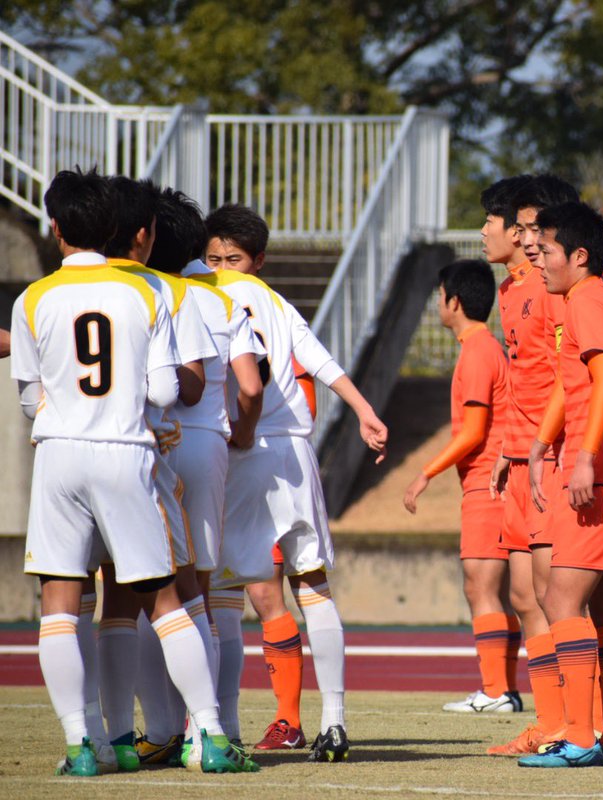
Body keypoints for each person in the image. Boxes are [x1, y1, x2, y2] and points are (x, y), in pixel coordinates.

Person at [10, 168, 254, 775]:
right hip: (126, 451)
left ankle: (82, 746)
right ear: (126, 231)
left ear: (56, 227)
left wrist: (69, 415)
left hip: (58, 456)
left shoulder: (33, 297)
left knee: (61, 605)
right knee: (167, 599)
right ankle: (214, 738)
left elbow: (25, 395)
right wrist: (136, 415)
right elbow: (171, 387)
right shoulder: (148, 293)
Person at [203, 203, 388, 762]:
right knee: (311, 588)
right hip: (293, 454)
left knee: (227, 595)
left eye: (232, 258)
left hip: (247, 448)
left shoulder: (199, 293)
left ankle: (227, 729)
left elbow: (252, 382)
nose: (221, 266)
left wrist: (242, 431)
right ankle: (330, 721)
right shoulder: (278, 303)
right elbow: (322, 363)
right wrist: (363, 409)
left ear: (257, 259)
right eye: (214, 256)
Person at [518, 201, 603, 768]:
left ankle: (579, 739)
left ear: (579, 255)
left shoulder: (587, 303)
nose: (538, 260)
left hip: (602, 476)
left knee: (560, 598)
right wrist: (541, 443)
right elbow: (596, 383)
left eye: (546, 250)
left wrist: (586, 458)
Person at [132, 185, 266, 762]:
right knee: (202, 596)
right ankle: (211, 730)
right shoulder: (219, 297)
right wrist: (241, 430)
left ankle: (156, 729)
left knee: (139, 593)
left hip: (145, 441)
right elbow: (252, 384)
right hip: (207, 442)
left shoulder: (136, 291)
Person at [100, 175, 223, 772]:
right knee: (185, 595)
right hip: (163, 452)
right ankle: (208, 732)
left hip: (71, 455)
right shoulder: (174, 295)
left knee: (96, 601)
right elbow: (183, 387)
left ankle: (111, 737)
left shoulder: (44, 295)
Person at [485, 175, 580, 755]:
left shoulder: (556, 289)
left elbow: (568, 376)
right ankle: (550, 722)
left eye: (527, 226)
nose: (519, 236)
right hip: (520, 458)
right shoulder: (509, 288)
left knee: (553, 594)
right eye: (515, 225)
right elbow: (525, 374)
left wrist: (546, 447)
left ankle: (574, 722)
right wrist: (506, 445)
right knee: (524, 595)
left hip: (552, 459)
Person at [404, 259, 518, 712]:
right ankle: (502, 690)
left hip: (487, 484)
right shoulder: (487, 348)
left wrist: (424, 473)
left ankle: (495, 691)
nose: (438, 304)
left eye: (439, 295)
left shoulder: (477, 351)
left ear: (453, 301)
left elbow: (472, 432)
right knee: (503, 591)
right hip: (496, 481)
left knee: (481, 586)